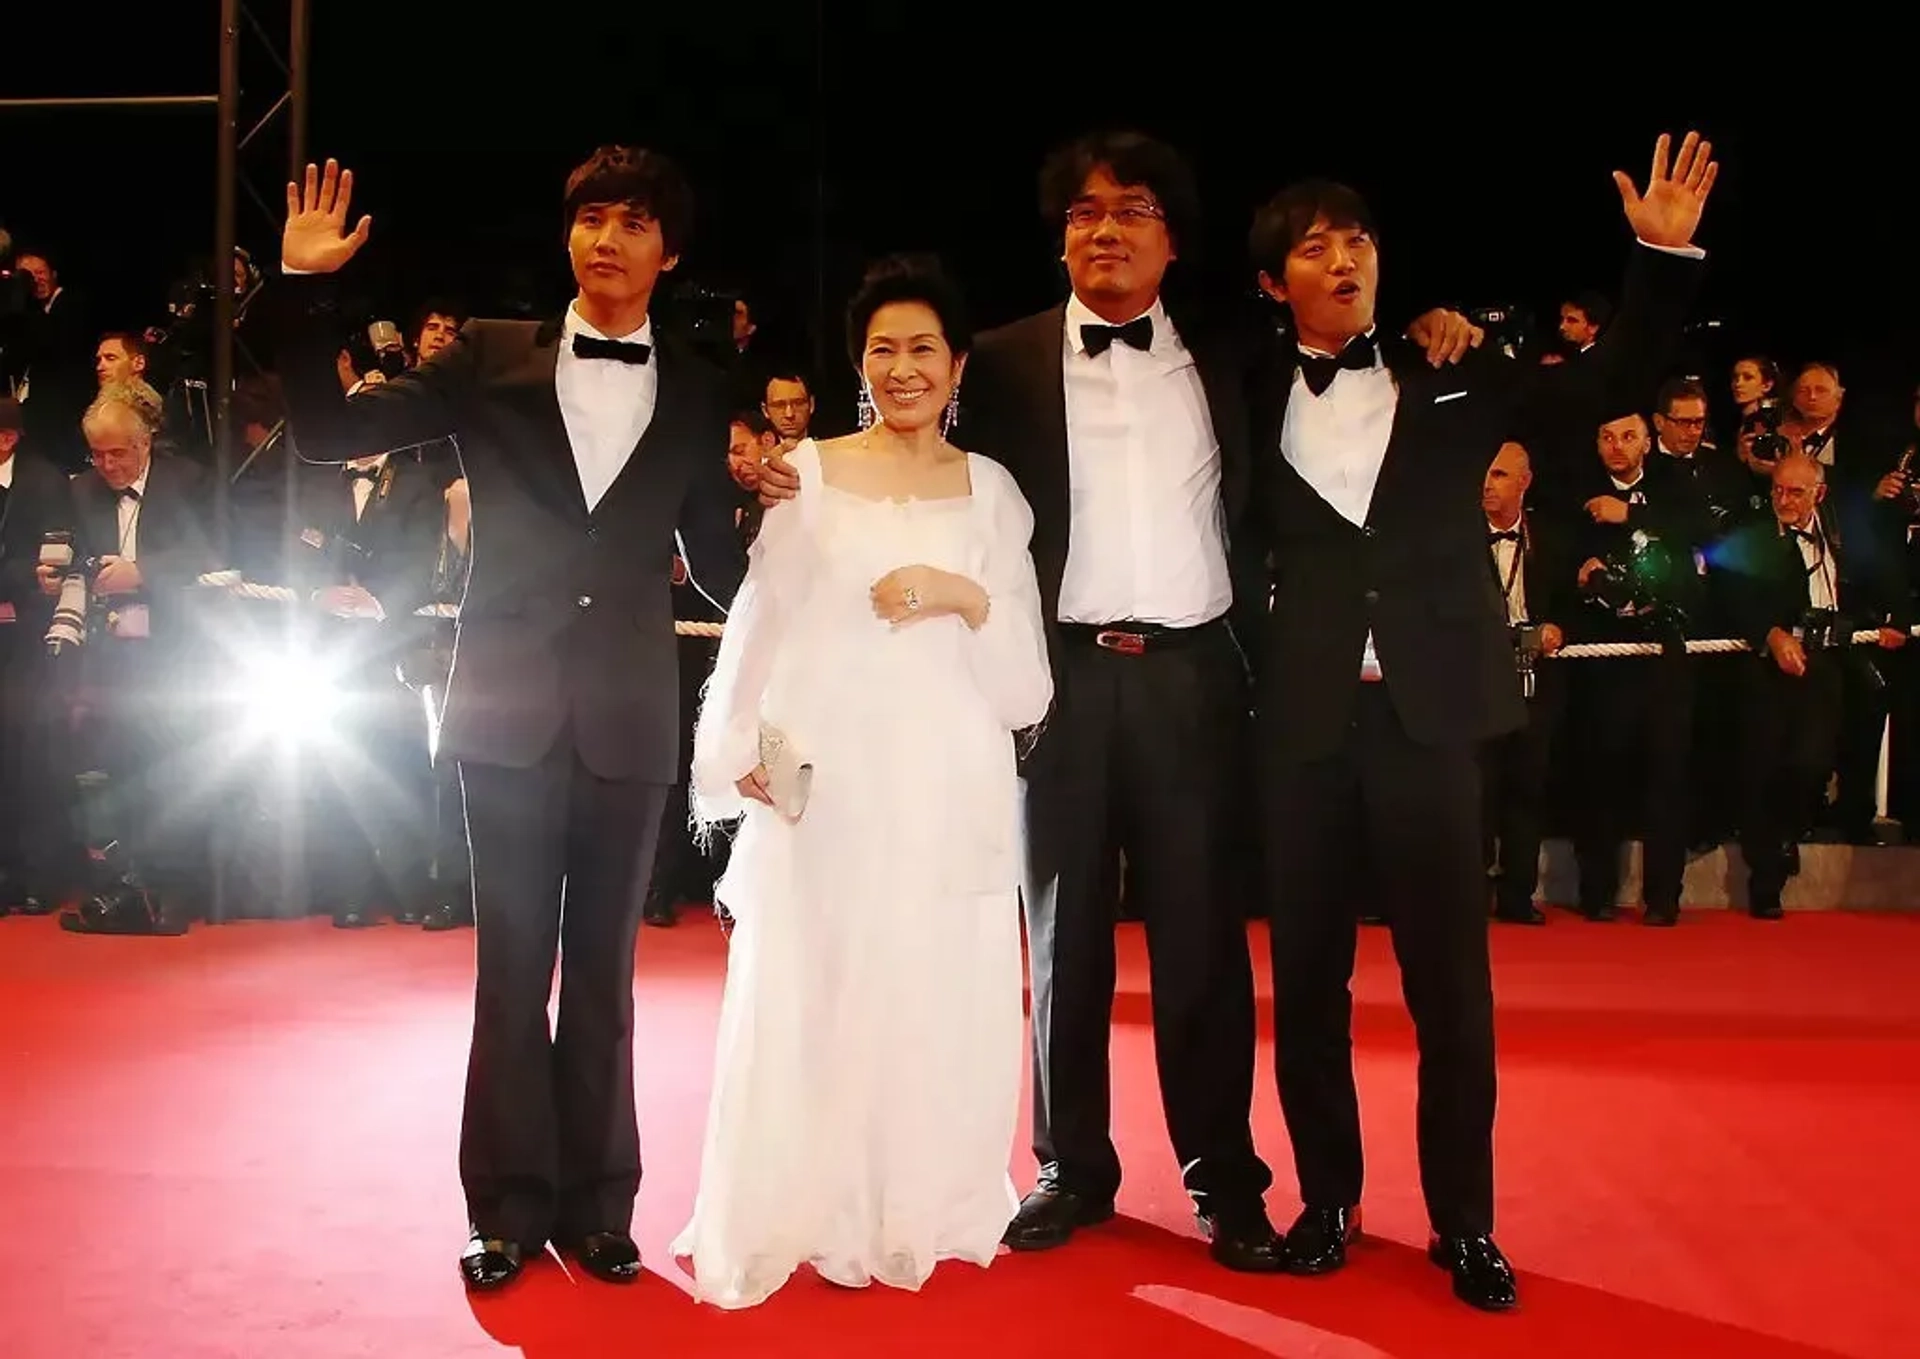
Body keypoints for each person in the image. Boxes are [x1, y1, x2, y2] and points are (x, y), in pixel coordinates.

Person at [756, 129, 1477, 1272]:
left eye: (1132, 210)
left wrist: (1440, 325)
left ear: (1172, 240)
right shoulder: (995, 360)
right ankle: (1069, 1165)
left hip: (1199, 676)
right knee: (1062, 931)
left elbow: (1354, 345)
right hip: (1056, 675)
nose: (1105, 230)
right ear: (1061, 239)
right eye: (1084, 213)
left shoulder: (1239, 357)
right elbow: (913, 453)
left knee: (1202, 942)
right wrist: (809, 484)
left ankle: (1221, 1176)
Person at [1242, 131, 1714, 1311]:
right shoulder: (1238, 385)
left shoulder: (1457, 372)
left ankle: (1466, 1224)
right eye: (1314, 246)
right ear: (1272, 283)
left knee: (1452, 987)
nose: (1344, 258)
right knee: (1307, 987)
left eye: (1359, 240)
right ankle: (1328, 1202)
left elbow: (1608, 389)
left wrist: (1659, 256)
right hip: (1299, 729)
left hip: (1430, 722)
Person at [271, 151, 747, 1292]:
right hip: (503, 706)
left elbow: (726, 570)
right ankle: (503, 1206)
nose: (610, 240)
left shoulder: (696, 388)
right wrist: (300, 288)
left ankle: (599, 1205)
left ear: (668, 254)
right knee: (510, 965)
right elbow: (327, 435)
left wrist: (814, 519)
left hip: (631, 717)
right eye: (592, 217)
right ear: (568, 237)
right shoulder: (486, 355)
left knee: (603, 975)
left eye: (637, 223)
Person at [672, 254, 1051, 1308]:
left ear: (959, 362)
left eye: (922, 347)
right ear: (858, 366)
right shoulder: (813, 476)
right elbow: (760, 623)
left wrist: (963, 594)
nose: (902, 367)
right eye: (882, 349)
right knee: (823, 982)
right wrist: (740, 745)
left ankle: (918, 1203)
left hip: (946, 778)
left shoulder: (993, 492)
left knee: (932, 988)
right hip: (830, 778)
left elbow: (1025, 687)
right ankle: (813, 1203)